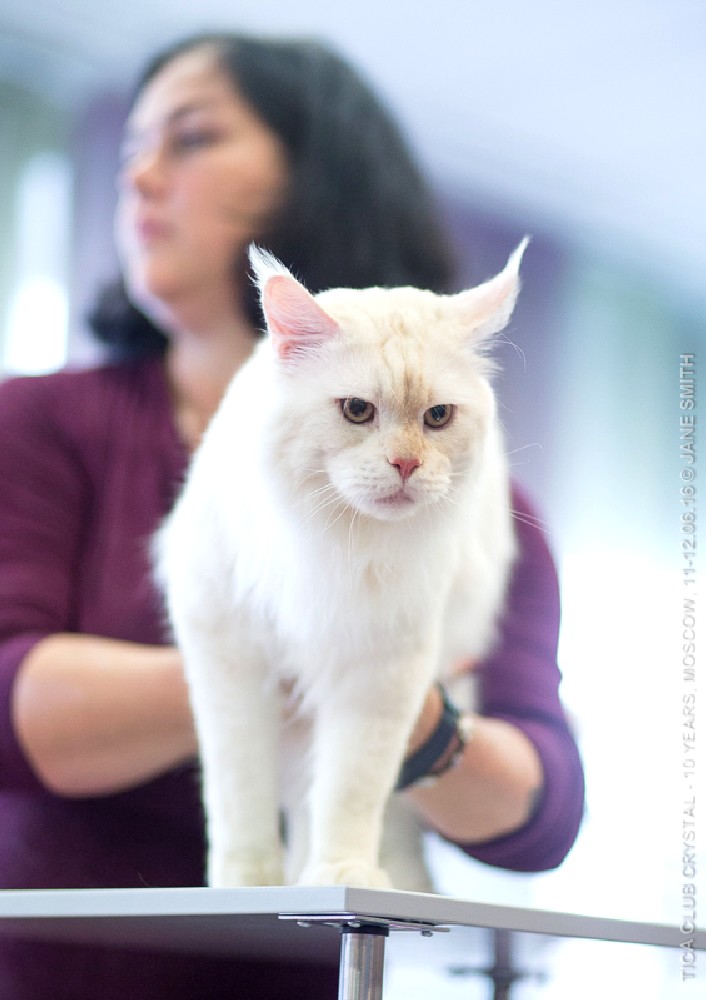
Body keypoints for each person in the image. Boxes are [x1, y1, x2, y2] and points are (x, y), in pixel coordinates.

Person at [0, 31, 584, 999]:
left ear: (318, 178)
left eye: (191, 138)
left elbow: (543, 816)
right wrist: (268, 658)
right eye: (133, 147)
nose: (140, 175)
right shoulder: (35, 425)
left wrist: (402, 701)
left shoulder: (484, 501)